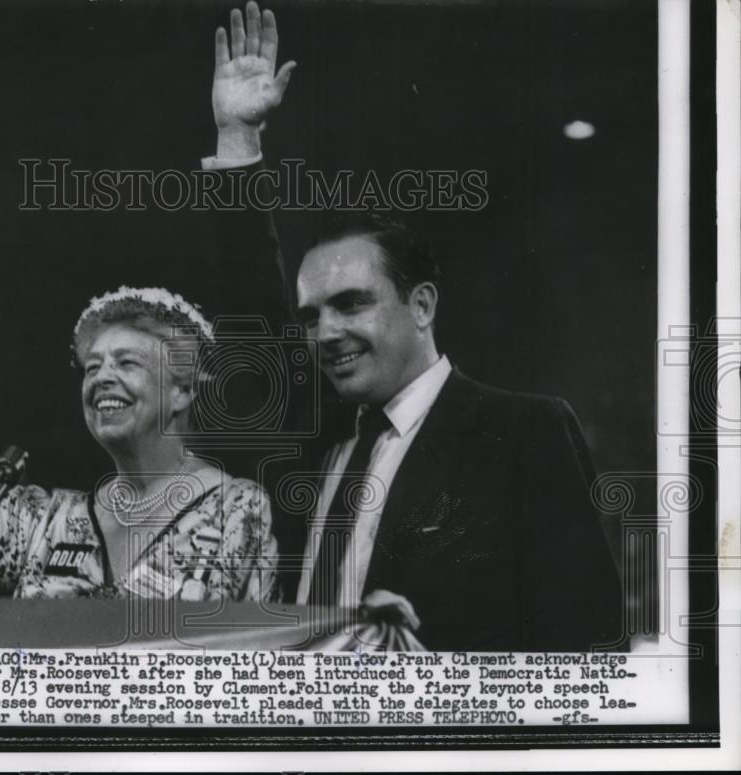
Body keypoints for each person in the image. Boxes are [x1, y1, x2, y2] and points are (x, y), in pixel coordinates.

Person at [203, 2, 624, 651]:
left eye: (352, 303)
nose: (326, 333)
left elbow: (587, 646)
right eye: (312, 315)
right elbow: (249, 306)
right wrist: (237, 141)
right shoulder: (319, 436)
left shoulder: (521, 433)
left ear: (422, 305)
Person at [0, 229, 277, 602]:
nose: (102, 378)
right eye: (92, 367)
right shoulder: (48, 523)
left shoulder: (237, 508)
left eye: (127, 363)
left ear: (182, 391)